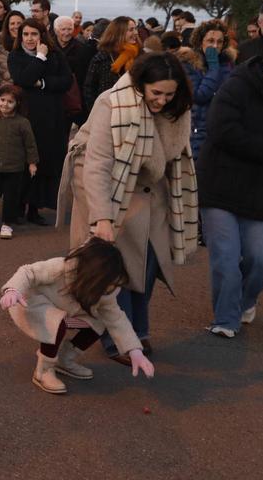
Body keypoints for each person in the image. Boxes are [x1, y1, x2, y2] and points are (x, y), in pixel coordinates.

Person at [59, 52, 198, 363]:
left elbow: (172, 157)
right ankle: (118, 341)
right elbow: (97, 162)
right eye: (156, 93)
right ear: (141, 85)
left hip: (149, 184)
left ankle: (138, 330)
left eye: (169, 94)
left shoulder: (178, 109)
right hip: (103, 181)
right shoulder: (112, 103)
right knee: (113, 266)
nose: (162, 100)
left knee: (149, 263)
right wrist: (102, 217)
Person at [199, 48, 263, 337]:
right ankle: (225, 320)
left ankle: (243, 301)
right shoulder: (237, 86)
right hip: (220, 186)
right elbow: (221, 131)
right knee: (226, 257)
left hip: (262, 191)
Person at [0, 239, 155, 395]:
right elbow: (28, 272)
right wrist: (13, 290)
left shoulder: (106, 287)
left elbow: (116, 318)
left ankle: (64, 359)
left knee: (99, 323)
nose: (107, 290)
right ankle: (44, 370)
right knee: (56, 323)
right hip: (31, 302)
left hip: (64, 310)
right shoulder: (61, 267)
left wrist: (134, 350)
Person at [8, 18, 73, 225]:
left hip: (50, 117)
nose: (29, 38)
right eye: (25, 34)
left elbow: (66, 80)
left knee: (43, 161)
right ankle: (17, 206)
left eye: (34, 34)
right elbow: (23, 79)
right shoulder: (15, 56)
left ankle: (34, 208)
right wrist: (40, 57)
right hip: (24, 116)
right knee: (21, 161)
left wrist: (43, 82)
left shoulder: (56, 55)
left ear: (41, 35)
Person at [0, 83, 39, 239]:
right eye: (2, 100)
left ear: (17, 103)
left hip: (15, 168)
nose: (5, 104)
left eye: (10, 102)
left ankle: (7, 224)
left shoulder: (22, 122)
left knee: (11, 197)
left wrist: (32, 163)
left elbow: (30, 145)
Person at [179, 21, 236, 158]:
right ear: (200, 42)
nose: (215, 46)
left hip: (224, 128)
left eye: (219, 42)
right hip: (199, 129)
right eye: (210, 41)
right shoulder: (189, 64)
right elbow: (199, 96)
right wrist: (213, 67)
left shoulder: (227, 64)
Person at [83, 16, 140, 114]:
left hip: (133, 112)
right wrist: (96, 112)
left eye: (135, 29)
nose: (136, 33)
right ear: (119, 33)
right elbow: (89, 88)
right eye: (131, 30)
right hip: (106, 112)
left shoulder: (139, 56)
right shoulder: (102, 58)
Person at [0, 10, 27, 95]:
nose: (16, 26)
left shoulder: (31, 48)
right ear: (7, 26)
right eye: (12, 23)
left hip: (27, 99)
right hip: (3, 101)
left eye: (19, 23)